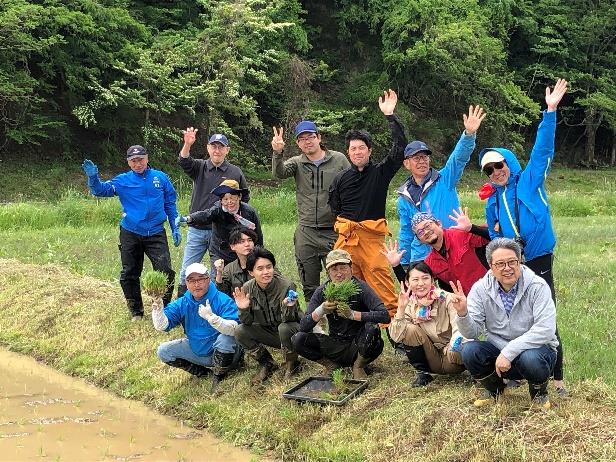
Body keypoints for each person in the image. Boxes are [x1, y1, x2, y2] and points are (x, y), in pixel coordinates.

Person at [478, 78, 568, 395]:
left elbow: (543, 149)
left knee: (545, 313)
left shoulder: (529, 179)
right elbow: (494, 237)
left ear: (508, 163)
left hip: (539, 257)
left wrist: (550, 111)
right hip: (512, 264)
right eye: (489, 170)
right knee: (509, 313)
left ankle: (556, 378)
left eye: (499, 165)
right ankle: (515, 370)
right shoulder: (492, 201)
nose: (496, 172)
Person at [450, 238, 558, 409]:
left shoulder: (538, 286)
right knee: (470, 350)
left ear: (520, 261)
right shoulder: (480, 289)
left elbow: (546, 330)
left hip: (536, 352)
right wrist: (463, 313)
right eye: (500, 264)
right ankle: (495, 390)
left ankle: (539, 394)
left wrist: (509, 352)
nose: (507, 268)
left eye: (512, 262)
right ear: (491, 267)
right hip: (499, 352)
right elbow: (472, 333)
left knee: (531, 358)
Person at [328, 89, 407, 318]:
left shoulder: (380, 173)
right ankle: (343, 318)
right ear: (348, 153)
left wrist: (390, 116)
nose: (357, 151)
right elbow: (335, 206)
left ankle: (391, 320)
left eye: (361, 147)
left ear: (369, 151)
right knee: (340, 277)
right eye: (353, 148)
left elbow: (400, 149)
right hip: (347, 237)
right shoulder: (341, 179)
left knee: (379, 276)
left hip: (372, 238)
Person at [82, 146, 180, 321]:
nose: (138, 164)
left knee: (165, 270)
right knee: (130, 273)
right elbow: (100, 190)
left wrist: (175, 226)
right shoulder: (122, 180)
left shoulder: (160, 177)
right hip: (130, 232)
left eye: (141, 159)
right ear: (128, 162)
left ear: (147, 158)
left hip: (156, 232)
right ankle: (136, 311)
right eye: (133, 161)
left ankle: (165, 309)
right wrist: (92, 177)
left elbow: (170, 203)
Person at [272, 121, 350, 304]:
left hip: (334, 230)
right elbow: (279, 173)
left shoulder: (338, 159)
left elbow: (353, 184)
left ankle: (342, 321)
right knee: (309, 284)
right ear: (298, 144)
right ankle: (315, 324)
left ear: (319, 138)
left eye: (311, 137)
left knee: (339, 279)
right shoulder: (298, 163)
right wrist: (277, 152)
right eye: (302, 139)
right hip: (306, 232)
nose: (307, 142)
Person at [397, 106, 486, 266]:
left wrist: (468, 135)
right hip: (422, 255)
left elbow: (458, 159)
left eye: (424, 157)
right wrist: (403, 261)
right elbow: (406, 231)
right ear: (407, 163)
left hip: (452, 247)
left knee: (456, 288)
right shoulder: (404, 197)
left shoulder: (445, 178)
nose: (422, 161)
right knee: (423, 289)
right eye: (416, 158)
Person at [292, 249, 390, 380]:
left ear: (351, 268)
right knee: (298, 339)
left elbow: (384, 315)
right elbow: (304, 326)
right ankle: (331, 365)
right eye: (334, 270)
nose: (339, 274)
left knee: (372, 328)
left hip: (360, 344)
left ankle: (358, 366)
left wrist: (353, 315)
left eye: (343, 268)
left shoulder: (361, 287)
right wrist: (321, 310)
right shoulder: (323, 291)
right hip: (335, 344)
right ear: (328, 273)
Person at [177, 128, 249, 297]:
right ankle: (182, 307)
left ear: (227, 150)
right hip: (197, 229)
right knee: (186, 270)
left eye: (221, 147)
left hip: (222, 232)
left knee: (218, 272)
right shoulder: (199, 167)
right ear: (208, 148)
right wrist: (187, 144)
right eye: (213, 146)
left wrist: (235, 215)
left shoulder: (235, 172)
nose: (217, 150)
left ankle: (214, 307)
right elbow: (183, 161)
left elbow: (244, 197)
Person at [152, 263, 242, 393]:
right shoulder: (183, 302)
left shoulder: (222, 299)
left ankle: (219, 376)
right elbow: (162, 326)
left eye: (200, 279)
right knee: (163, 351)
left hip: (228, 353)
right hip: (198, 350)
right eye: (192, 280)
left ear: (208, 279)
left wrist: (212, 318)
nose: (196, 284)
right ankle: (203, 373)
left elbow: (234, 329)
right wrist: (158, 308)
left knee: (225, 339)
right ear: (186, 284)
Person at [388, 262, 465, 386]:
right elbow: (396, 336)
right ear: (408, 283)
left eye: (425, 278)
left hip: (451, 356)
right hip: (431, 359)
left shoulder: (447, 298)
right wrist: (401, 310)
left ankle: (478, 372)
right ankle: (423, 373)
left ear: (432, 280)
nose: (420, 283)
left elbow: (459, 327)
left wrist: (454, 345)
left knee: (462, 345)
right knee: (410, 329)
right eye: (415, 279)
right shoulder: (409, 303)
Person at [232, 247, 301, 382]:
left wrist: (287, 307)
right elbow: (247, 322)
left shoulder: (287, 285)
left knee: (284, 328)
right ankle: (267, 363)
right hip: (270, 333)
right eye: (260, 269)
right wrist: (243, 308)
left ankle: (292, 363)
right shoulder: (247, 288)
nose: (266, 272)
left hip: (292, 333)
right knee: (240, 331)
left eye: (269, 267)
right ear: (251, 272)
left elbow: (291, 320)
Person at [176, 179, 263, 269]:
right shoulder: (218, 210)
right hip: (220, 252)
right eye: (225, 199)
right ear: (221, 201)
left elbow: (258, 237)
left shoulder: (249, 212)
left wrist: (259, 256)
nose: (229, 202)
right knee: (219, 278)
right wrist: (188, 218)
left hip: (243, 253)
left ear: (239, 197)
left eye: (232, 198)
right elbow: (206, 215)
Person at [214, 227, 259, 296]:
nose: (247, 244)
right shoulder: (230, 269)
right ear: (232, 247)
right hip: (238, 305)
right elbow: (222, 293)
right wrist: (219, 272)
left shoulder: (264, 262)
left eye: (250, 240)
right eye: (242, 241)